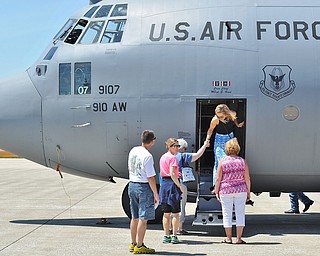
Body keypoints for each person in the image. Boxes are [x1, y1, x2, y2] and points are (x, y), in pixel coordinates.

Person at [128, 130, 159, 254]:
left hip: (132, 184)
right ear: (152, 140)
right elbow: (150, 177)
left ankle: (133, 243)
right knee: (143, 218)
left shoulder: (133, 150)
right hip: (143, 187)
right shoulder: (148, 156)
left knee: (134, 217)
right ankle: (140, 246)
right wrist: (156, 194)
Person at [214, 138, 251, 244]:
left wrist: (216, 191)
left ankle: (228, 238)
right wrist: (248, 191)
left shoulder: (223, 162)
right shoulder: (242, 161)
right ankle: (239, 238)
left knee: (227, 214)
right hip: (241, 190)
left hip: (226, 190)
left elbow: (218, 178)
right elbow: (247, 178)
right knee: (240, 213)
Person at [175, 138, 209, 235]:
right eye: (185, 148)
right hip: (180, 184)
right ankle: (179, 228)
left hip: (170, 184)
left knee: (172, 206)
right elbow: (197, 155)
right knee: (181, 206)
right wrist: (205, 145)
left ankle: (170, 227)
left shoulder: (169, 156)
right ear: (182, 148)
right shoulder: (182, 156)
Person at [205, 104, 244, 186]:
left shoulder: (232, 114)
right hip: (219, 139)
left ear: (226, 113)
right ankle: (216, 185)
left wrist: (237, 124)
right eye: (218, 116)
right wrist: (207, 139)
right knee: (219, 161)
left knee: (231, 160)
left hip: (230, 138)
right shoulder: (215, 120)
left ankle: (229, 183)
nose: (219, 118)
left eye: (221, 116)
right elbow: (210, 129)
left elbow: (234, 119)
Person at [159, 138, 184, 244]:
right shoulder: (173, 158)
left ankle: (166, 235)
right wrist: (179, 186)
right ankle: (174, 235)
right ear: (169, 146)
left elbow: (164, 172)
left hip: (164, 184)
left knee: (166, 213)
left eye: (178, 146)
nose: (177, 148)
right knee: (176, 213)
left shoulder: (163, 157)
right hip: (172, 185)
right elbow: (172, 173)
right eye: (175, 146)